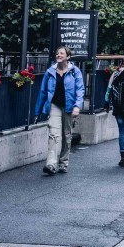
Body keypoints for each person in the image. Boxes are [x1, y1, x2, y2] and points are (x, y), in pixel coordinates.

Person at [36, 46, 85, 176]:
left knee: (66, 135)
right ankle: (51, 164)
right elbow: (43, 92)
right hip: (54, 105)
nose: (58, 55)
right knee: (53, 133)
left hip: (69, 106)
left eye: (61, 53)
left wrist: (77, 106)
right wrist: (38, 111)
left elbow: (80, 90)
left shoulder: (75, 71)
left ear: (68, 57)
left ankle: (63, 163)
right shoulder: (50, 72)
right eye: (57, 53)